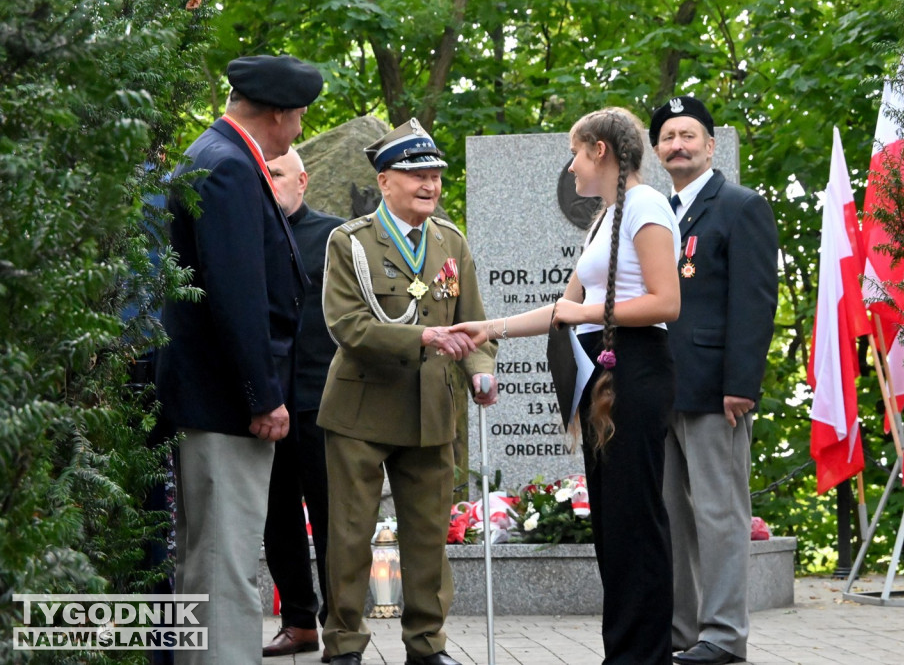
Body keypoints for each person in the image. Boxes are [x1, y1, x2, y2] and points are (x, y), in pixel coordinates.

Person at [453, 107, 682, 664]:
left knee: (635, 527)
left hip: (637, 370)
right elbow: (566, 309)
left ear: (600, 150)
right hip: (603, 373)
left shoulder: (647, 205)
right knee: (611, 529)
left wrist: (594, 313)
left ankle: (644, 656)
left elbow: (665, 302)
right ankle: (622, 653)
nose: (572, 165)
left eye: (576, 152)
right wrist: (491, 327)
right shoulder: (605, 217)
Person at [155, 54, 323, 664]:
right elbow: (236, 295)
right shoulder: (227, 167)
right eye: (300, 115)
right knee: (225, 565)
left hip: (216, 398)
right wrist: (264, 395)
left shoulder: (214, 155)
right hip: (227, 404)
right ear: (278, 112)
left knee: (212, 557)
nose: (301, 128)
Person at [317, 118, 498, 665]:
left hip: (431, 410)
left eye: (436, 174)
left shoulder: (451, 241)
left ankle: (426, 646)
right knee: (351, 537)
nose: (430, 184)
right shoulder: (349, 242)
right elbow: (346, 325)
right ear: (384, 180)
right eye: (415, 173)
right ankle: (344, 645)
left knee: (428, 539)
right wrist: (421, 336)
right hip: (362, 409)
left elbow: (474, 326)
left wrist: (481, 370)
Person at [648, 96, 779, 665]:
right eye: (669, 136)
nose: (679, 144)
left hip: (715, 390)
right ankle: (682, 632)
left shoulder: (740, 206)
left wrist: (742, 384)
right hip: (661, 387)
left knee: (720, 515)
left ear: (710, 144)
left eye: (689, 135)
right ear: (657, 150)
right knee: (671, 515)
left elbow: (754, 302)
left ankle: (723, 636)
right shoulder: (657, 212)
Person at [261, 147, 344, 660]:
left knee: (335, 517)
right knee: (278, 518)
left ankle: (339, 625)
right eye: (262, 174)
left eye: (276, 173)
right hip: (268, 402)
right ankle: (298, 622)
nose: (268, 183)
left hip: (324, 401)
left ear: (303, 180)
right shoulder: (249, 236)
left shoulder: (337, 237)